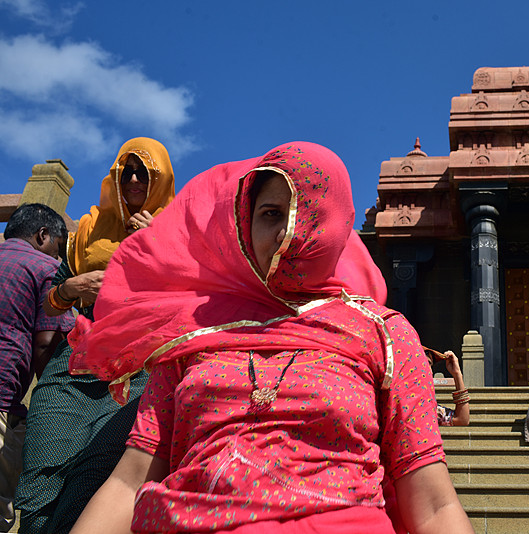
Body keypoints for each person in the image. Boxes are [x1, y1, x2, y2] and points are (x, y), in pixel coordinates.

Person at [68, 142, 473, 533]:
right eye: (270, 213)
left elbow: (434, 504)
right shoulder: (194, 330)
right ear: (245, 223)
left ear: (336, 222)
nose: (285, 231)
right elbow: (128, 483)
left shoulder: (384, 333)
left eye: (304, 211)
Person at [15, 138, 176, 533]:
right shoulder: (87, 231)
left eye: (144, 172)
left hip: (138, 374)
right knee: (39, 476)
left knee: (98, 476)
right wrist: (71, 289)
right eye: (127, 171)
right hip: (73, 366)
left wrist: (160, 242)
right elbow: (52, 303)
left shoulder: (178, 231)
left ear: (161, 179)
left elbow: (197, 294)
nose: (134, 179)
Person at [0, 204, 75, 532]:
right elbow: (46, 344)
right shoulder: (45, 268)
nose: (59, 259)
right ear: (43, 235)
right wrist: (59, 410)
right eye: (59, 249)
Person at [423, 348, 470, 427]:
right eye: (422, 363)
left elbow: (462, 419)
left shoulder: (429, 409)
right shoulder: (397, 399)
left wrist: (457, 374)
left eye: (429, 364)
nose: (428, 368)